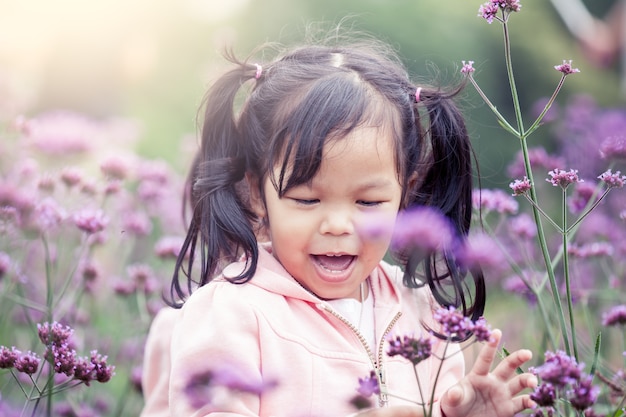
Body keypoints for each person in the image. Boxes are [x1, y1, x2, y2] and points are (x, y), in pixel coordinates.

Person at [141, 31, 537, 417]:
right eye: (306, 199)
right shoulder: (231, 313)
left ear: (405, 198)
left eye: (368, 202)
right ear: (259, 195)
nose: (337, 225)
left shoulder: (424, 315)